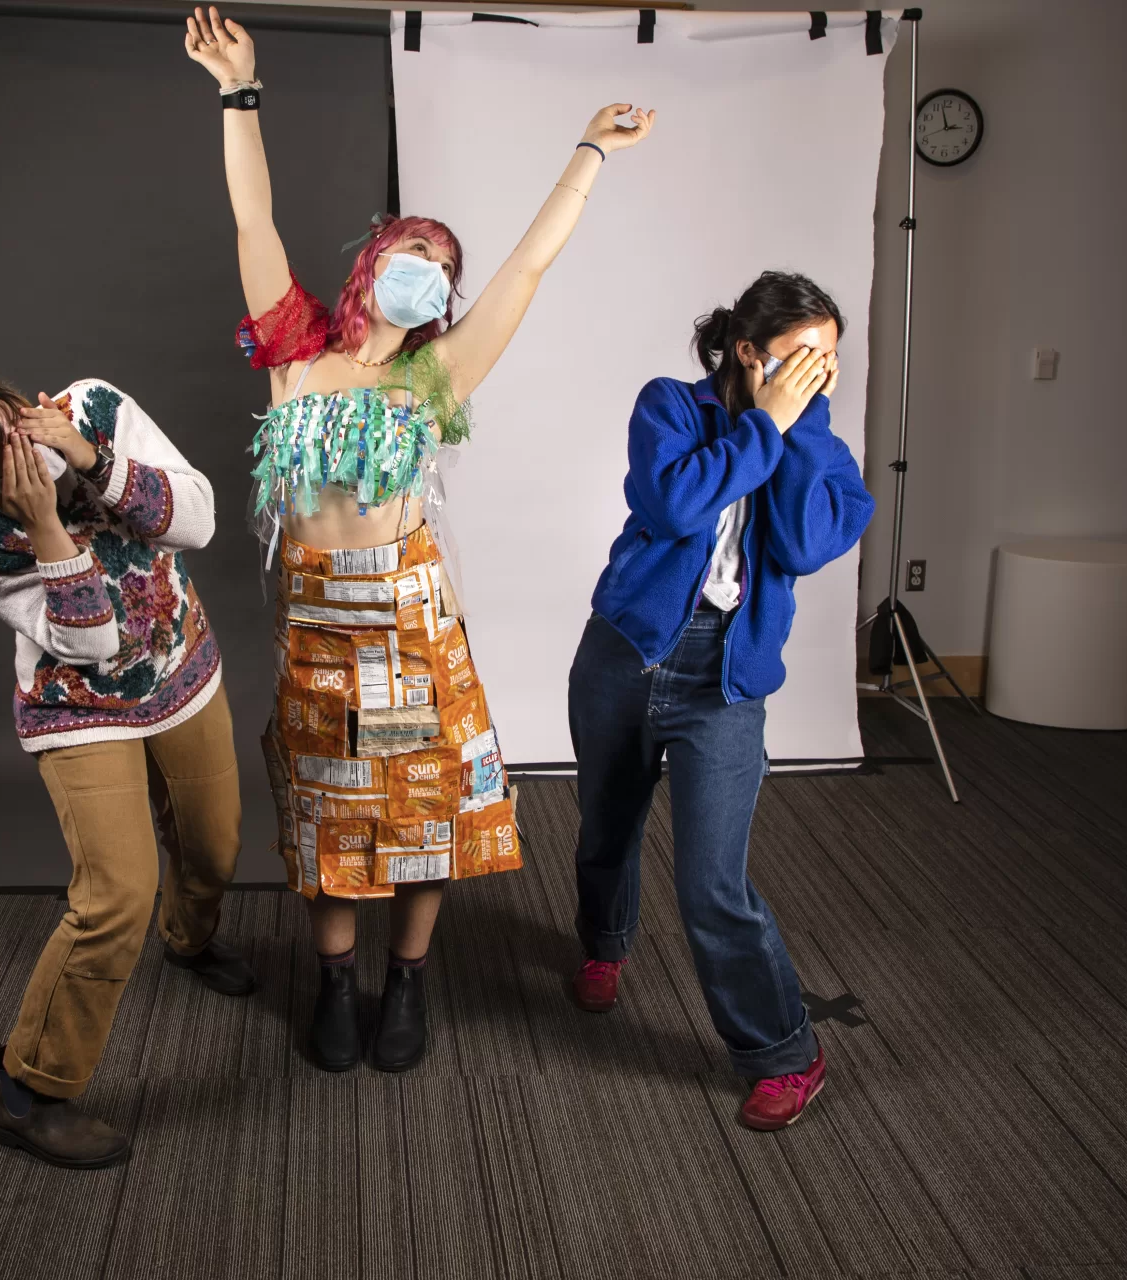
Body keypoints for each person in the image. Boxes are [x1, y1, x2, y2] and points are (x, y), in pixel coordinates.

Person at [184, 5, 651, 1073]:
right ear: (371, 261)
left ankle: (408, 978)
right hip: (314, 618)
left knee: (420, 807)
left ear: (441, 293)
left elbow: (526, 270)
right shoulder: (295, 349)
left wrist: (586, 153)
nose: (425, 267)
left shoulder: (435, 375)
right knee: (329, 812)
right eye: (410, 248)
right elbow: (251, 222)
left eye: (440, 263)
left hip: (403, 614)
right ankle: (336, 983)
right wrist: (236, 92)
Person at [0, 370, 251, 1169]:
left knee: (213, 847)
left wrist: (89, 456)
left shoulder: (94, 407)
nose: (19, 450)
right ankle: (28, 1091)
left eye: (14, 423)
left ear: (19, 399)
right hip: (76, 710)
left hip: (182, 671)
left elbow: (199, 522)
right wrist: (46, 524)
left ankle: (188, 940)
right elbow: (92, 645)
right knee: (116, 894)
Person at [567, 271, 875, 1130]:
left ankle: (786, 1054)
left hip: (724, 680)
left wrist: (797, 425)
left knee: (711, 881)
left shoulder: (821, 446)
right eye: (802, 355)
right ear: (748, 351)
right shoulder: (669, 405)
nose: (820, 371)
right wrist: (762, 423)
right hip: (624, 654)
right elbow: (670, 505)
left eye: (831, 359)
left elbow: (813, 542)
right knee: (605, 827)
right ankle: (603, 945)